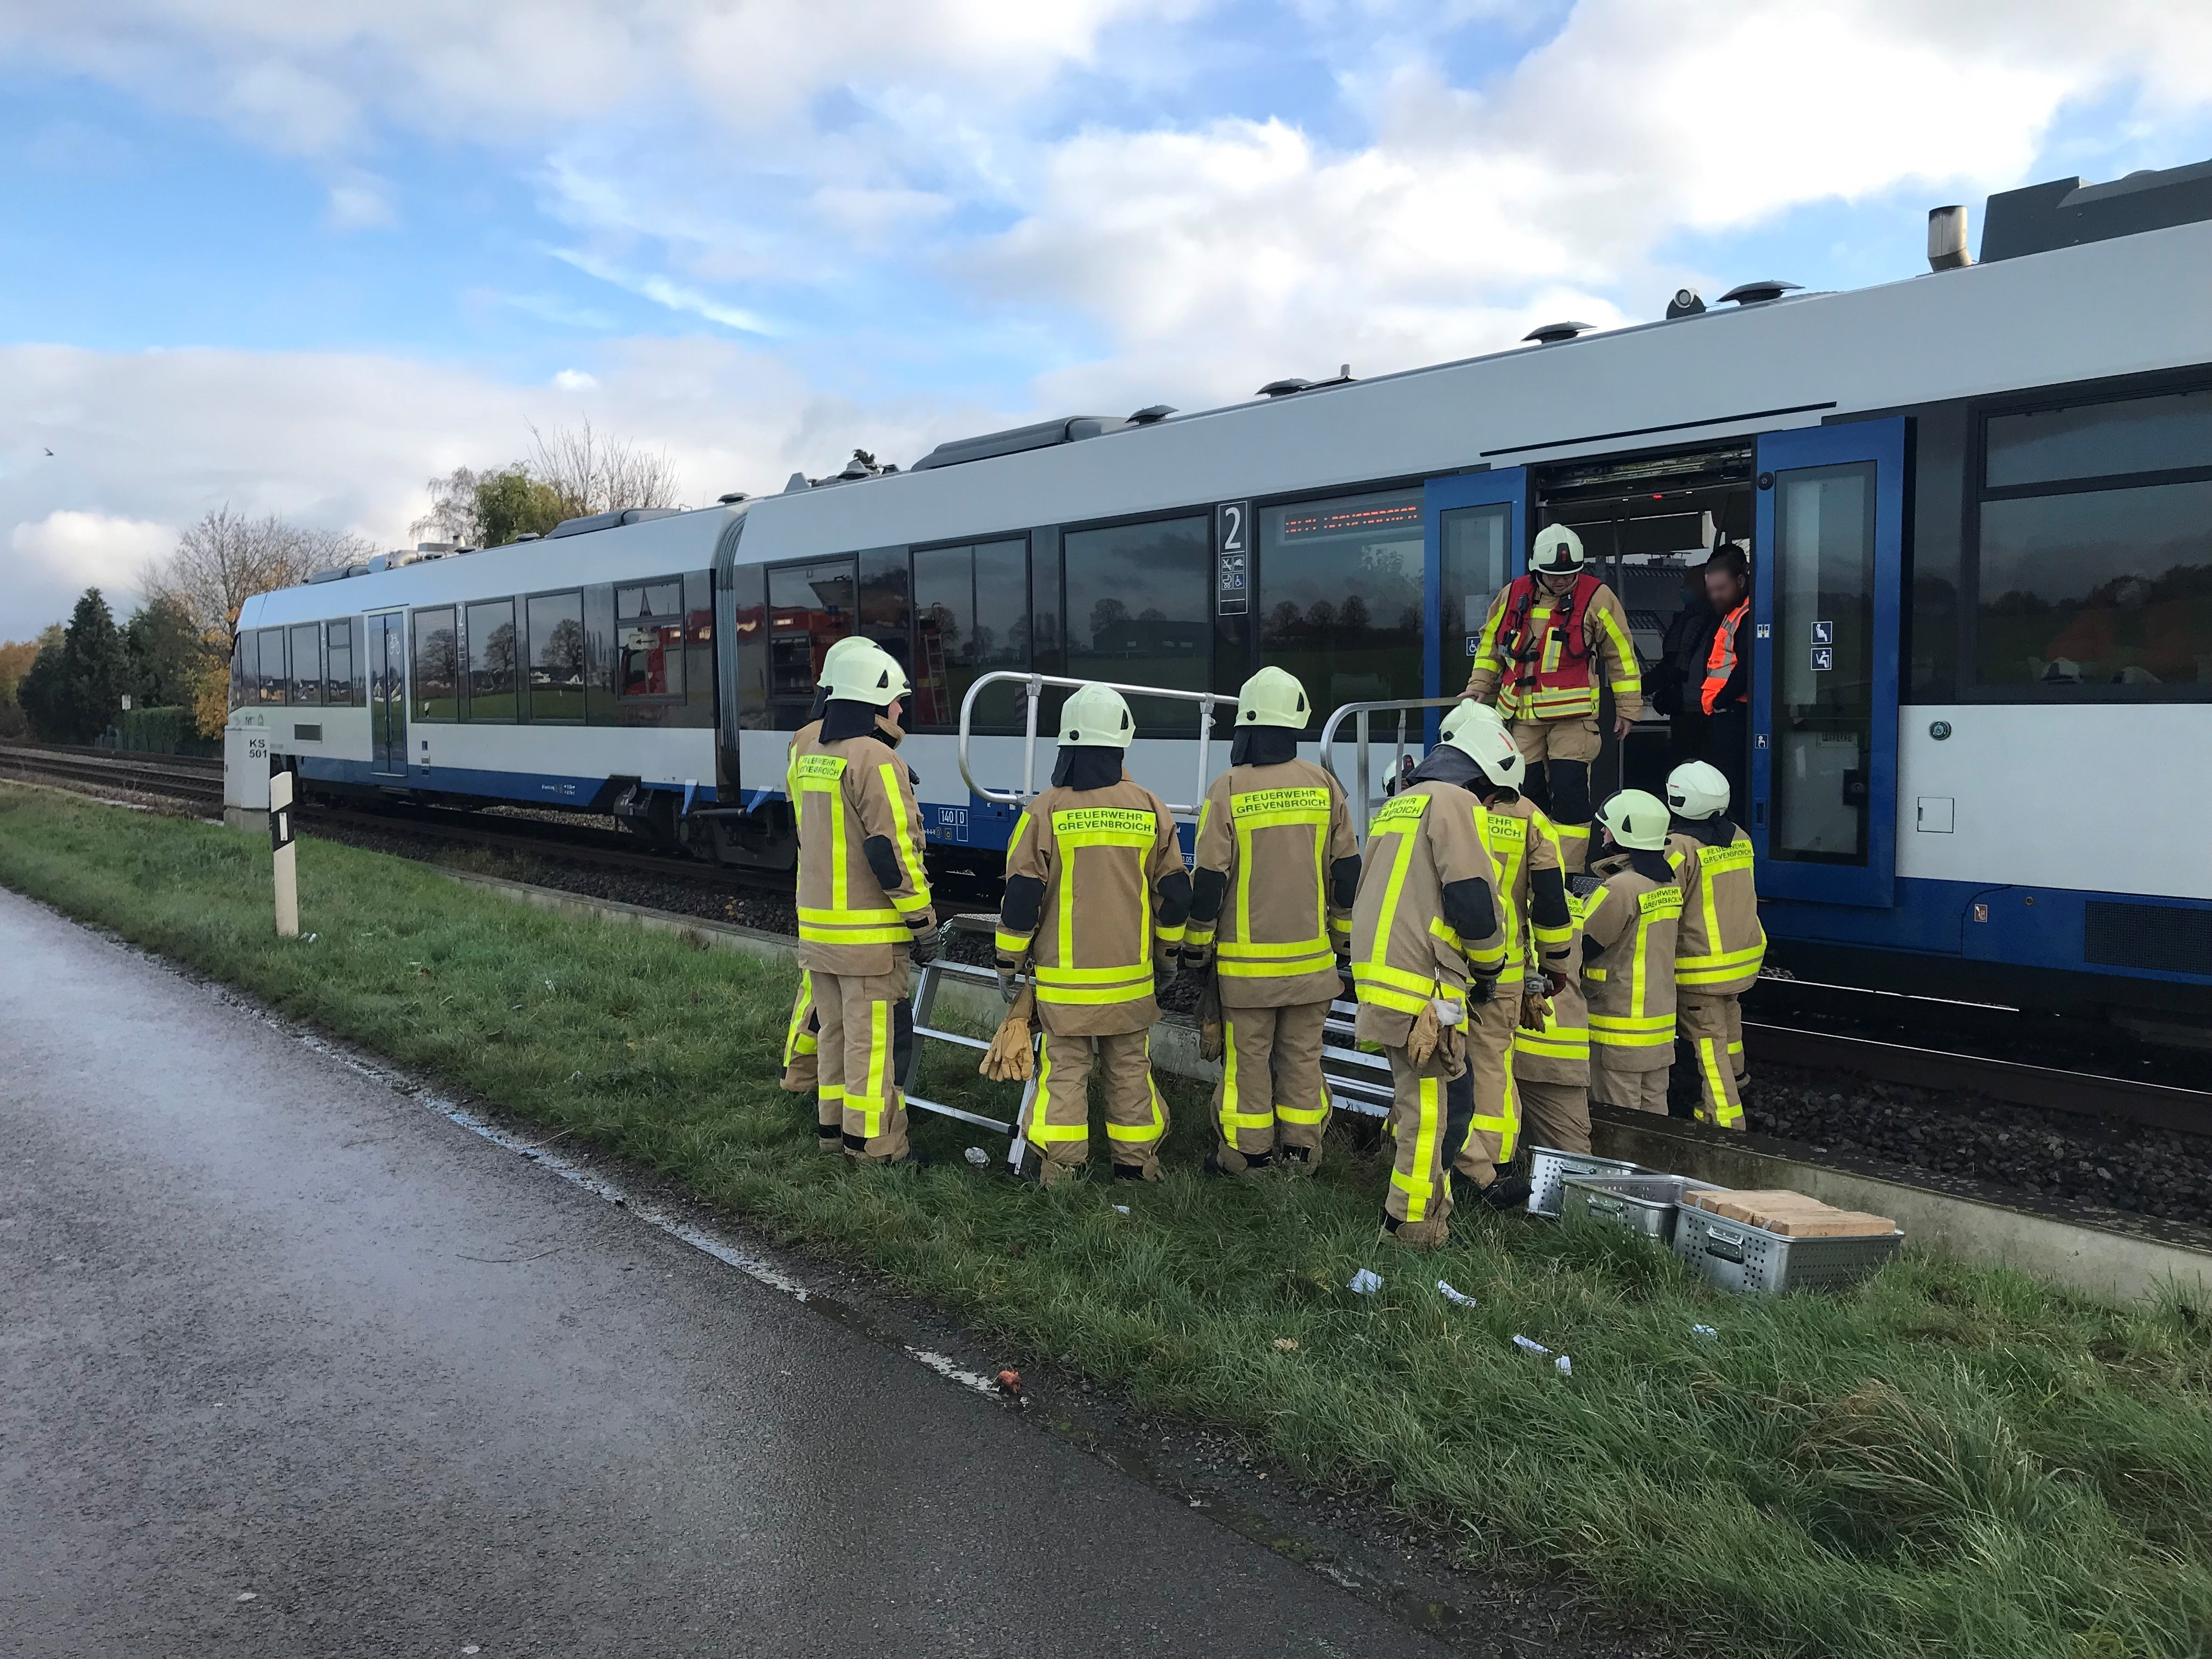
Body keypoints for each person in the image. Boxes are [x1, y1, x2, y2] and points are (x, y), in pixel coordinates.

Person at [992, 684, 1193, 1187]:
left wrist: (1007, 964)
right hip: (1130, 983)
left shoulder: (1045, 811)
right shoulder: (1151, 806)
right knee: (1130, 1071)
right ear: (1122, 740)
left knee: (1064, 1074)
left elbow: (1021, 898)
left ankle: (1061, 1170)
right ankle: (1136, 1165)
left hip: (1064, 987)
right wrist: (1167, 957)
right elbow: (1176, 892)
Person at [1182, 667, 1359, 1178]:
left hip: (1247, 974)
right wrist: (1342, 944)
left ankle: (1247, 1158)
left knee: (1248, 1067)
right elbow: (1347, 873)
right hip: (1312, 969)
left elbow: (1210, 881)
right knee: (1304, 1061)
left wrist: (1197, 949)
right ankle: (1303, 1158)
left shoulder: (1229, 788)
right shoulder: (1325, 786)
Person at [1349, 718, 1507, 1249]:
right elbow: (1470, 899)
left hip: (1388, 979)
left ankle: (1431, 1202)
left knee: (1439, 1101)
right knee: (1431, 1112)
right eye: (1494, 797)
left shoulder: (1403, 802)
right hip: (1426, 989)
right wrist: (1490, 970)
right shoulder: (1456, 804)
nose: (1491, 807)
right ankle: (1411, 1224)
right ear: (1482, 780)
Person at [788, 642, 940, 1165]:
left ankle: (835, 1138)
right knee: (873, 1049)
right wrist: (923, 926)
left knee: (834, 1038)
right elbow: (893, 851)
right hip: (871, 942)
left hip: (820, 933)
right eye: (895, 700)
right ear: (874, 701)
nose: (901, 710)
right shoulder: (877, 759)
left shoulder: (809, 754)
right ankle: (876, 1151)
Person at [1437, 701, 1573, 1203]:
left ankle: (1446, 1158)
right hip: (1507, 969)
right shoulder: (1530, 817)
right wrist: (1555, 967)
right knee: (1493, 1063)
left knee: (1439, 1061)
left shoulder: (1438, 803)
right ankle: (1494, 1164)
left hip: (1445, 966)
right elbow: (1552, 902)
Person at [1462, 523, 1644, 873]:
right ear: (1537, 569)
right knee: (1521, 795)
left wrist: (1628, 709)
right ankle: (1528, 866)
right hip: (1521, 718)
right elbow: (1490, 646)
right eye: (1553, 575)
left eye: (1570, 574)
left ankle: (1565, 875)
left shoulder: (1598, 597)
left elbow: (1621, 656)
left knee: (1571, 793)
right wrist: (1479, 686)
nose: (1562, 581)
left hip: (1572, 720)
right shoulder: (1512, 595)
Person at [779, 635, 912, 1104]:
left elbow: (806, 822)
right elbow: (888, 848)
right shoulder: (869, 755)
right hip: (861, 918)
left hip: (817, 903)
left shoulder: (804, 744)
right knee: (866, 1036)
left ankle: (801, 1081)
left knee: (818, 1009)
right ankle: (871, 1139)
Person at [1665, 759, 1765, 1130]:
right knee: (1729, 1026)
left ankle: (1724, 1123)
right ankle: (1739, 1084)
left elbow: (1663, 901)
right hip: (1740, 960)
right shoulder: (1740, 836)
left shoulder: (1678, 847)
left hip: (1699, 967)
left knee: (1708, 1043)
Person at [1580, 789, 1683, 1116]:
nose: (1602, 832)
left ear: (1624, 833)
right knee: (1653, 1118)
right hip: (1657, 1025)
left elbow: (1584, 944)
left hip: (1618, 1023)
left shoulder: (1622, 887)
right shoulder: (1668, 883)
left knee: (1618, 1122)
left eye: (1607, 826)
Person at [1698, 545, 1753, 823]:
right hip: (1724, 714)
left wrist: (1722, 701)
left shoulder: (1747, 615)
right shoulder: (1732, 614)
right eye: (1711, 591)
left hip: (1735, 714)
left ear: (1741, 582)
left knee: (1731, 790)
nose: (1715, 596)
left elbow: (1746, 669)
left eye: (1722, 589)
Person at [1651, 563, 1714, 772]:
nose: (1683, 589)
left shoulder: (1704, 622)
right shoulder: (1687, 619)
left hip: (1700, 708)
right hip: (1686, 707)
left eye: (1689, 584)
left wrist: (1637, 687)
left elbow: (1675, 665)